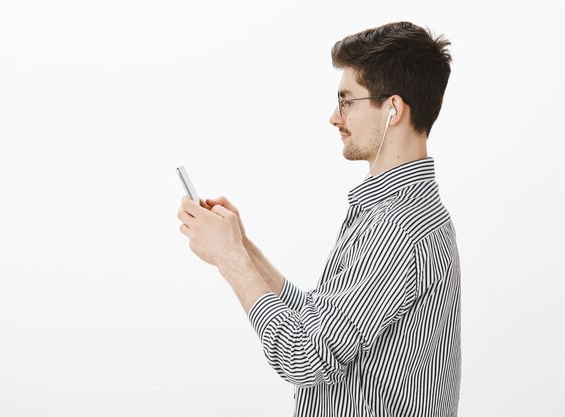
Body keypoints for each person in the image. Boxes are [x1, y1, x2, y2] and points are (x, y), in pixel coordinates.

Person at [177, 21, 460, 417]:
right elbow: (320, 320)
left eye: (347, 100)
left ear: (392, 109)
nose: (334, 116)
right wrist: (243, 247)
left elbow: (304, 356)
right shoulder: (390, 211)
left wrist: (231, 260)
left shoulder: (400, 229)